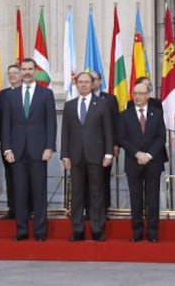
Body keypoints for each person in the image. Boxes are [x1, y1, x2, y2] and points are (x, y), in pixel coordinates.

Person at [2, 58, 57, 241]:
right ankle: (22, 230)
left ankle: (40, 232)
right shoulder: (11, 95)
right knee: (19, 192)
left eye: (29, 69)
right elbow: (6, 124)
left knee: (39, 192)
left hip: (39, 150)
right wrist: (7, 149)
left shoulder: (46, 94)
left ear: (35, 71)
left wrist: (49, 147)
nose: (26, 72)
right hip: (17, 151)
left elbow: (51, 122)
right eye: (23, 69)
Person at [61, 72, 113, 242]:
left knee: (97, 194)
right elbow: (65, 132)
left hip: (96, 155)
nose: (83, 85)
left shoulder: (103, 104)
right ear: (76, 84)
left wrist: (108, 153)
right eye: (80, 82)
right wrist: (64, 155)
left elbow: (108, 130)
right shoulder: (69, 105)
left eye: (86, 82)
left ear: (93, 84)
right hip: (75, 156)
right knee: (76, 194)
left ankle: (97, 229)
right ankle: (77, 230)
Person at [119, 81, 166, 243]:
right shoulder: (125, 114)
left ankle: (152, 233)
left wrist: (149, 155)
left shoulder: (157, 113)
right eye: (135, 93)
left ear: (148, 95)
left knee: (152, 199)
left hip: (153, 162)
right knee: (136, 199)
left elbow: (161, 138)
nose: (137, 96)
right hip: (134, 162)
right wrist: (137, 153)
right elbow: (122, 138)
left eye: (140, 93)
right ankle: (137, 232)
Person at [0, 64, 23, 220]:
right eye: (9, 73)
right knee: (11, 177)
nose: (11, 76)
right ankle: (12, 208)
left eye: (15, 73)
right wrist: (2, 142)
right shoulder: (3, 95)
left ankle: (28, 208)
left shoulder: (28, 93)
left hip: (27, 144)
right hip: (8, 145)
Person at [91, 71, 120, 213]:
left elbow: (116, 122)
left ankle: (104, 209)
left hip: (105, 147)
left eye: (94, 79)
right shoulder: (81, 98)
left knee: (103, 178)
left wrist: (115, 144)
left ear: (100, 82)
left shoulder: (110, 99)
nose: (91, 82)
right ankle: (88, 209)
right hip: (86, 147)